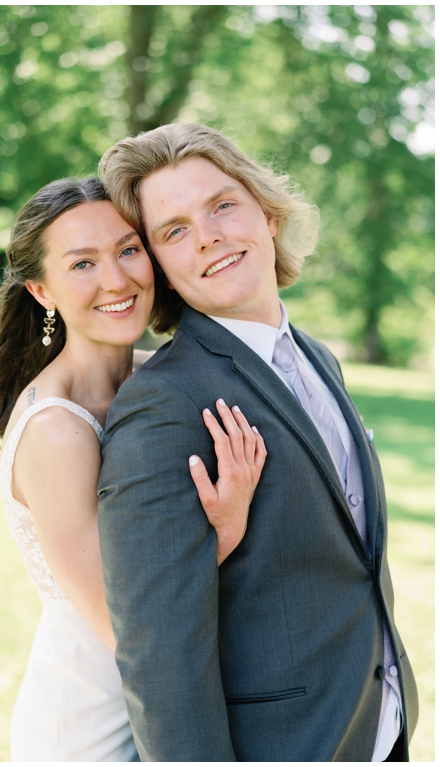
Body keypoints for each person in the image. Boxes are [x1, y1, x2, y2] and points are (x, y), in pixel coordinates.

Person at [97, 123, 417, 761]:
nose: (209, 235)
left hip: (376, 727)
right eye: (175, 230)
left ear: (267, 215)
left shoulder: (319, 358)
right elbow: (159, 650)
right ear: (159, 265)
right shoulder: (164, 402)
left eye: (222, 205)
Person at [0, 177, 267, 761]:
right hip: (92, 724)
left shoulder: (158, 379)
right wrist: (227, 530)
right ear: (41, 289)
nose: (117, 279)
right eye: (83, 263)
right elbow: (128, 625)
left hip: (173, 696)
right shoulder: (56, 431)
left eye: (129, 249)